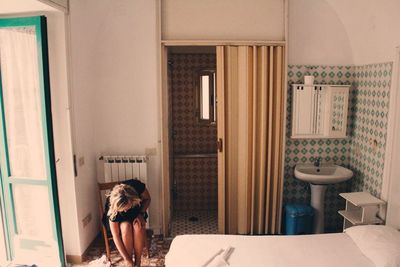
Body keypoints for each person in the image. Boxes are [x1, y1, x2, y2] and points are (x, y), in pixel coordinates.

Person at [102, 179, 151, 267]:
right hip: (119, 218)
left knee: (138, 226)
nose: (125, 211)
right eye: (123, 209)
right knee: (126, 227)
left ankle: (138, 261)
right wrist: (127, 259)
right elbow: (116, 236)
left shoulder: (137, 186)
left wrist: (141, 213)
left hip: (136, 212)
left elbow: (148, 199)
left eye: (126, 207)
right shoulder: (112, 206)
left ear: (133, 200)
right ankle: (129, 263)